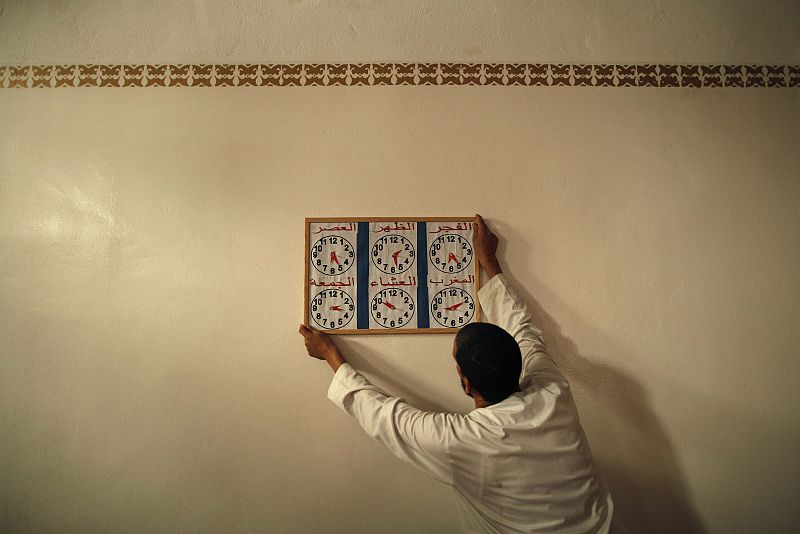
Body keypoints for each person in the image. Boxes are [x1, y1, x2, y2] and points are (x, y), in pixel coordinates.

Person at [299, 215, 612, 533]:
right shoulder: (552, 389)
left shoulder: (460, 441)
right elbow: (522, 328)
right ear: (519, 362)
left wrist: (330, 355)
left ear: (466, 383)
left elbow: (381, 414)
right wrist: (489, 260)